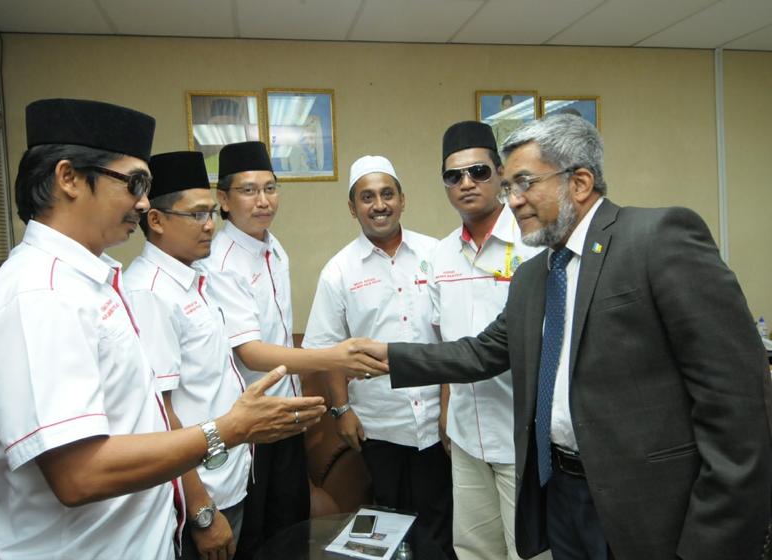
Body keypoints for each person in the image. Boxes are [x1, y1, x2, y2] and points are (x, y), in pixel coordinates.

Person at [359, 113, 772, 560]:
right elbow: (484, 352)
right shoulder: (535, 275)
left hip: (650, 505)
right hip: (562, 494)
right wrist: (384, 356)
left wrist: (714, 539)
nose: (513, 201)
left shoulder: (655, 240)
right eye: (509, 187)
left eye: (523, 183)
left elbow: (739, 405)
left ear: (579, 182)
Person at [0, 99, 327, 559]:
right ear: (69, 178)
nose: (141, 201)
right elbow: (78, 475)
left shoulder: (92, 281)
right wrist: (228, 430)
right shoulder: (39, 294)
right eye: (134, 183)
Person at [196, 141, 386, 559]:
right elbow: (251, 353)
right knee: (257, 538)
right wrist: (335, 356)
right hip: (250, 423)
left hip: (286, 415)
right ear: (223, 200)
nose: (263, 201)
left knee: (292, 527)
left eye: (270, 188)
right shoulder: (221, 261)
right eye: (248, 191)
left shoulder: (273, 247)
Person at [126, 150, 291, 559]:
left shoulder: (194, 277)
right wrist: (200, 510)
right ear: (156, 220)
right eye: (197, 215)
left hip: (230, 475)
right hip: (200, 494)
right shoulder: (150, 292)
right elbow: (161, 415)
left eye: (210, 214)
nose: (210, 226)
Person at [302, 155, 456, 559]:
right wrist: (341, 411)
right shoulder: (338, 271)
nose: (379, 204)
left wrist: (447, 408)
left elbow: (450, 339)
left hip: (438, 422)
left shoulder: (437, 253)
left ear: (403, 200)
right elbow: (328, 350)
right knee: (389, 526)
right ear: (352, 208)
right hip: (380, 426)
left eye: (387, 194)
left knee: (443, 523)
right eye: (367, 197)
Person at [435, 122, 543, 560]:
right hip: (465, 436)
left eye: (478, 171)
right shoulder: (440, 255)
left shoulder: (534, 243)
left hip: (522, 437)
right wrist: (446, 412)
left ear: (500, 174)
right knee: (474, 550)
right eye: (453, 176)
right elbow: (445, 342)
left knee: (529, 552)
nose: (466, 183)